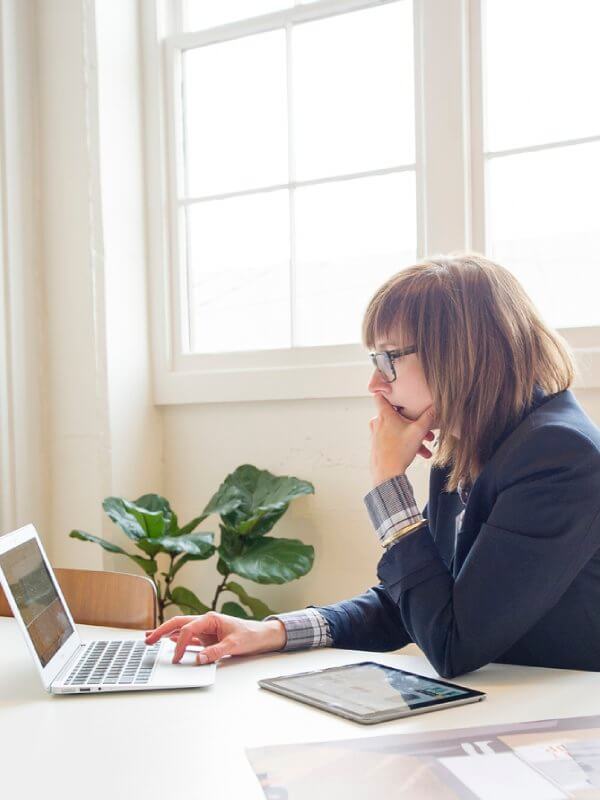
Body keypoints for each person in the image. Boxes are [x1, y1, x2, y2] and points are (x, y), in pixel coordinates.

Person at [145, 253, 600, 678]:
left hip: (566, 726)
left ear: (458, 353)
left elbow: (452, 643)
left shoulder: (558, 457)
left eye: (388, 359)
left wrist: (388, 483)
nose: (375, 383)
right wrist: (272, 631)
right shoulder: (468, 443)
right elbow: (417, 603)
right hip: (509, 705)